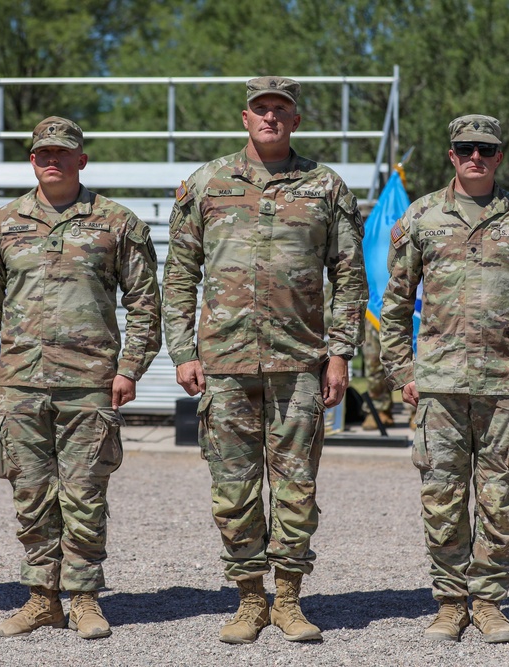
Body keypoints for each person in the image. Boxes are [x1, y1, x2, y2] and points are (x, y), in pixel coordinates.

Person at [162, 76, 366, 644]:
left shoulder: (325, 185)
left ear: (295, 120)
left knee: (296, 486)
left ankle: (291, 600)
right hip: (224, 361)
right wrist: (183, 350)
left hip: (299, 360)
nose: (270, 117)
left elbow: (349, 277)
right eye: (261, 109)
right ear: (245, 118)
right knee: (234, 488)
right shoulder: (206, 182)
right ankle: (250, 598)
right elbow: (180, 274)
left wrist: (340, 354)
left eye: (280, 109)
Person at [0, 116, 162, 639]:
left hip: (90, 380)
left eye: (62, 152)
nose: (52, 160)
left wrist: (130, 367)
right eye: (42, 153)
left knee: (84, 493)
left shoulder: (117, 223)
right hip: (21, 381)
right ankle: (41, 597)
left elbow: (145, 302)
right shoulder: (3, 224)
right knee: (30, 493)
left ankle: (86, 598)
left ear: (82, 160)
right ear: (32, 160)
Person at [380, 114, 509, 644]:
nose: (475, 157)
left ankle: (487, 602)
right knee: (441, 499)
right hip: (438, 385)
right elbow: (393, 304)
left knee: (498, 501)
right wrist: (403, 370)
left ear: (500, 155)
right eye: (465, 147)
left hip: (507, 385)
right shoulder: (421, 217)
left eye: (485, 148)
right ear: (451, 154)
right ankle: (448, 602)